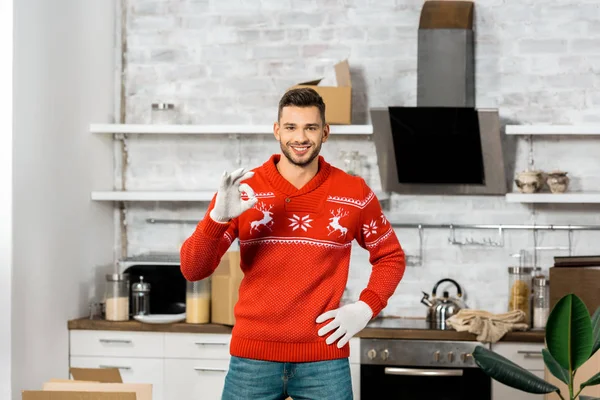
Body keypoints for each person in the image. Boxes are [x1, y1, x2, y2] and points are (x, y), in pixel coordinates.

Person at [180, 87, 406, 400]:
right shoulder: (244, 190)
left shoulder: (353, 192)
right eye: (291, 127)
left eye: (310, 127)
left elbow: (391, 257)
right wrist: (217, 218)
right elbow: (193, 269)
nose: (300, 137)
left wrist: (366, 307)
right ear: (277, 131)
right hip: (252, 359)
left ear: (325, 132)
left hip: (324, 358)